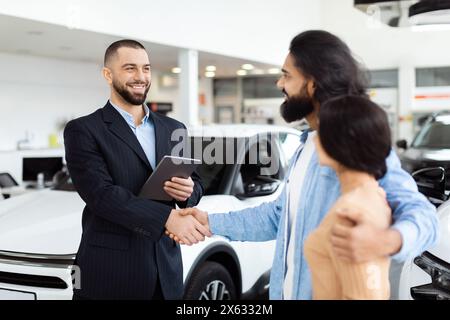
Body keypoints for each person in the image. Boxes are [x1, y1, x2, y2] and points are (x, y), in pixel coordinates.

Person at [170, 30, 440, 300]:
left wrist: (387, 241)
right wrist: (208, 221)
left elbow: (423, 217)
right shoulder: (305, 146)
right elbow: (278, 217)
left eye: (287, 75)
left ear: (313, 83)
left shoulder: (352, 145)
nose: (279, 83)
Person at [64, 39, 209, 300]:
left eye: (146, 68)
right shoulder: (84, 129)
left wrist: (188, 191)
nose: (141, 77)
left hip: (166, 271)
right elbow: (101, 195)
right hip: (110, 274)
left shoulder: (174, 128)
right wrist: (166, 218)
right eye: (130, 68)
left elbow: (196, 185)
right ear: (108, 75)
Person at [304, 95, 392, 300]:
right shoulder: (372, 194)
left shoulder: (353, 212)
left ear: (342, 141)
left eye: (322, 132)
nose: (316, 139)